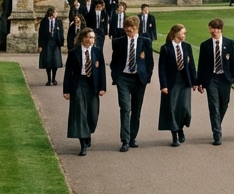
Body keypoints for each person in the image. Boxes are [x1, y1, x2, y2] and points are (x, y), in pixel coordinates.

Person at [110, 15, 154, 152]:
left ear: (137, 28)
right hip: (123, 78)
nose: (130, 31)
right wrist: (116, 76)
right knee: (125, 108)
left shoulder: (145, 42)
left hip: (138, 79)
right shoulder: (118, 42)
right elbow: (114, 61)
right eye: (127, 29)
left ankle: (132, 137)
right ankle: (125, 139)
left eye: (133, 29)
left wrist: (147, 77)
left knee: (136, 110)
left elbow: (149, 63)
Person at [62, 27, 106, 156]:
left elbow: (102, 70)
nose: (90, 40)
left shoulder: (98, 52)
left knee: (92, 113)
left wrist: (103, 87)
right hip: (79, 84)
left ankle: (88, 133)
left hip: (92, 85)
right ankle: (83, 144)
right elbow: (68, 72)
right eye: (88, 37)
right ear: (82, 38)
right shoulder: (74, 52)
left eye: (92, 38)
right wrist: (66, 90)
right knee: (80, 112)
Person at [197, 18, 234, 145]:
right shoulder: (205, 45)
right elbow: (202, 65)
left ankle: (216, 124)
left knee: (223, 105)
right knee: (214, 106)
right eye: (211, 28)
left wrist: (231, 79)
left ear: (220, 30)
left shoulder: (229, 43)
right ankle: (217, 134)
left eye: (216, 29)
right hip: (212, 79)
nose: (213, 31)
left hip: (225, 78)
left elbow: (233, 63)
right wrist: (200, 82)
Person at [158, 24, 196, 147]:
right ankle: (175, 136)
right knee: (173, 109)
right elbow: (162, 68)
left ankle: (180, 128)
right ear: (176, 33)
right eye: (183, 33)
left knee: (185, 109)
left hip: (184, 81)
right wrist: (163, 85)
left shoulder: (187, 47)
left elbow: (191, 66)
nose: (185, 35)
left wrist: (194, 82)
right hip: (172, 82)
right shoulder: (166, 48)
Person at [38, 7, 64, 86]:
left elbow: (61, 33)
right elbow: (41, 34)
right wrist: (40, 45)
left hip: (55, 43)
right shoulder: (44, 21)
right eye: (55, 12)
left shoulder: (59, 21)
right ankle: (49, 80)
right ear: (51, 13)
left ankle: (54, 79)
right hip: (47, 43)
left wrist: (61, 43)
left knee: (55, 61)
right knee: (48, 61)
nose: (56, 13)